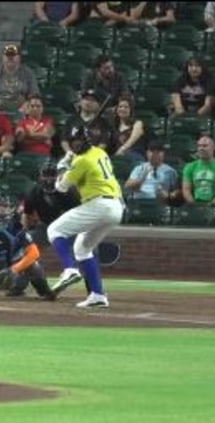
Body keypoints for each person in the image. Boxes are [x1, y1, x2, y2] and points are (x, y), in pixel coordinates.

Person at [45, 125, 126, 308]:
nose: (76, 144)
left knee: (54, 230)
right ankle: (97, 295)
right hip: (115, 207)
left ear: (86, 140)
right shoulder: (99, 152)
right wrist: (70, 164)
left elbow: (61, 188)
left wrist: (62, 166)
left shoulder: (81, 161)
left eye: (79, 140)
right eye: (74, 141)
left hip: (99, 204)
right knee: (82, 248)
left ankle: (69, 269)